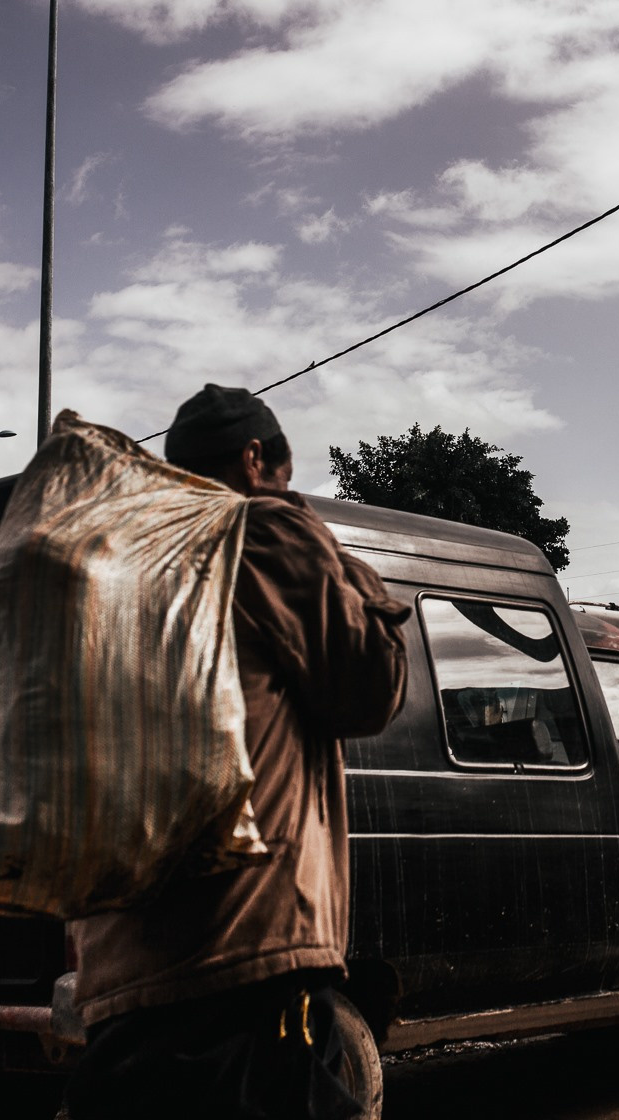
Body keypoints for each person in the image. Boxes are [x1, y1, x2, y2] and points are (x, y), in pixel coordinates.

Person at [66, 384, 410, 1120]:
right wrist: (355, 572)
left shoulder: (123, 568)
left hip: (119, 976)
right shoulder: (262, 532)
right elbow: (370, 690)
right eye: (285, 476)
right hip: (240, 968)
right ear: (256, 460)